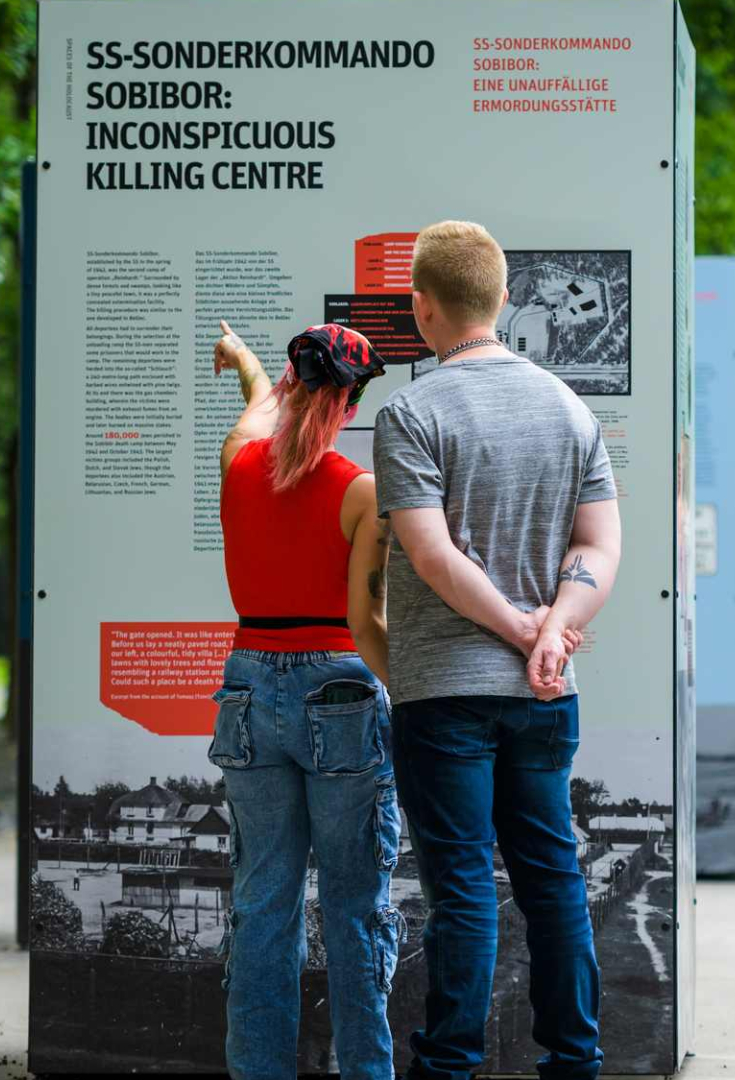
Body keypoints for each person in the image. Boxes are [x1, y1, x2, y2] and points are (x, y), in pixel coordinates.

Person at [373, 220, 616, 1080]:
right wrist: (553, 628)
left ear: (421, 308)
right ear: (505, 299)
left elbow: (433, 558)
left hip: (444, 690)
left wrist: (521, 627)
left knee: (465, 887)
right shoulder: (570, 406)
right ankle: (574, 1061)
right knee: (553, 876)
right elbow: (599, 548)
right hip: (547, 692)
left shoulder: (410, 412)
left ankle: (449, 1067)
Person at [207, 319, 408, 1080]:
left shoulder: (236, 463)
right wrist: (408, 696)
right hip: (341, 688)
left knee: (264, 903)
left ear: (294, 386)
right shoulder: (363, 494)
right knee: (355, 909)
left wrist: (251, 368)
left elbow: (257, 414)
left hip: (249, 682)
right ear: (352, 405)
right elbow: (369, 620)